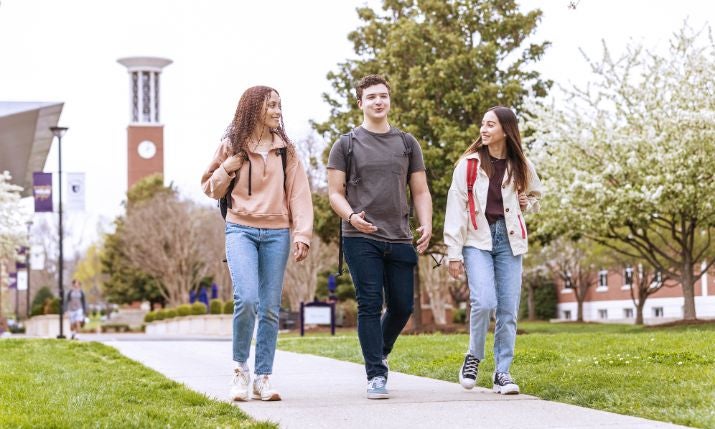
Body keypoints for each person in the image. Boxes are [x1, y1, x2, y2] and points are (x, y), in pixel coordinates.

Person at [201, 85, 313, 402]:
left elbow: (300, 195)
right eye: (271, 105)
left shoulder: (285, 151)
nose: (278, 111)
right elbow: (210, 187)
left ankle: (263, 377)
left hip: (277, 232)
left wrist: (302, 233)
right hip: (240, 230)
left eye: (279, 105)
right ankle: (240, 371)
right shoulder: (231, 145)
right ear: (254, 109)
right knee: (247, 299)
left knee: (270, 308)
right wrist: (227, 167)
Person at [327, 74, 432, 399]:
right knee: (369, 304)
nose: (378, 101)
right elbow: (335, 193)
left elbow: (420, 190)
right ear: (360, 103)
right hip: (360, 237)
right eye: (371, 96)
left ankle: (379, 351)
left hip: (399, 236)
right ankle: (375, 373)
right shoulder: (346, 144)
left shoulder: (406, 143)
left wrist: (426, 223)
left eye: (383, 96)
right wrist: (351, 217)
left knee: (402, 306)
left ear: (389, 100)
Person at [444, 106, 543, 395]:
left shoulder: (520, 164)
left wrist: (528, 203)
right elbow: (456, 209)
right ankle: (473, 356)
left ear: (505, 130)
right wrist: (453, 252)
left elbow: (536, 196)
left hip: (510, 242)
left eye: (490, 125)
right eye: (483, 125)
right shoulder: (469, 165)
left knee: (508, 309)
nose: (484, 130)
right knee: (484, 301)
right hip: (477, 240)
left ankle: (503, 372)